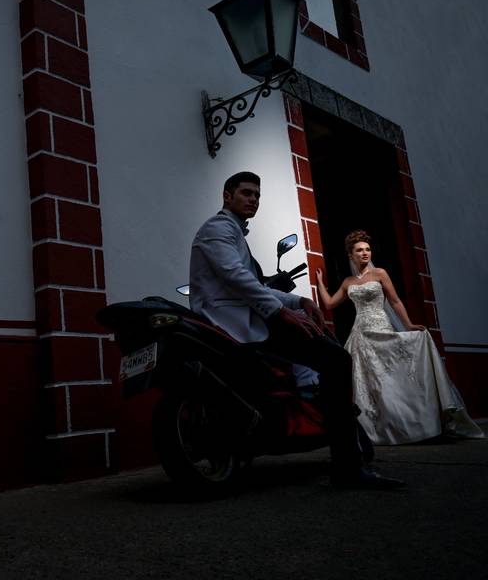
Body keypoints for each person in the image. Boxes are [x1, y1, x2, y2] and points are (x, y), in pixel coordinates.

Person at [190, 171, 405, 489]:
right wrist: (281, 311)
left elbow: (251, 285)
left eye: (257, 195)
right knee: (336, 360)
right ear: (227, 196)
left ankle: (309, 417)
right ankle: (347, 469)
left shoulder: (233, 233)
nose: (253, 199)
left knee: (321, 353)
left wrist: (298, 300)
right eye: (246, 193)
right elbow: (235, 277)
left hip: (243, 315)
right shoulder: (218, 227)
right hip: (234, 322)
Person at [316, 230, 484, 445]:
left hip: (381, 328)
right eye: (359, 250)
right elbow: (329, 304)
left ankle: (411, 424)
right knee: (371, 381)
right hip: (360, 335)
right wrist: (320, 282)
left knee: (391, 376)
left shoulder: (380, 274)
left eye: (367, 249)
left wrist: (409, 325)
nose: (365, 253)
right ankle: (382, 428)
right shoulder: (348, 282)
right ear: (351, 255)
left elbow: (395, 301)